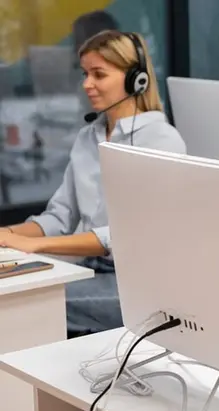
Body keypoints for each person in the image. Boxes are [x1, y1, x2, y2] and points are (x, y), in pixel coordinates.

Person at [0, 30, 187, 337]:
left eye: (99, 74)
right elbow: (59, 217)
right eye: (86, 73)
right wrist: (8, 234)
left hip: (136, 284)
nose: (87, 84)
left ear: (135, 79)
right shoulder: (88, 138)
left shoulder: (162, 142)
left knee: (22, 304)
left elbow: (124, 236)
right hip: (86, 270)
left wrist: (35, 245)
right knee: (15, 292)